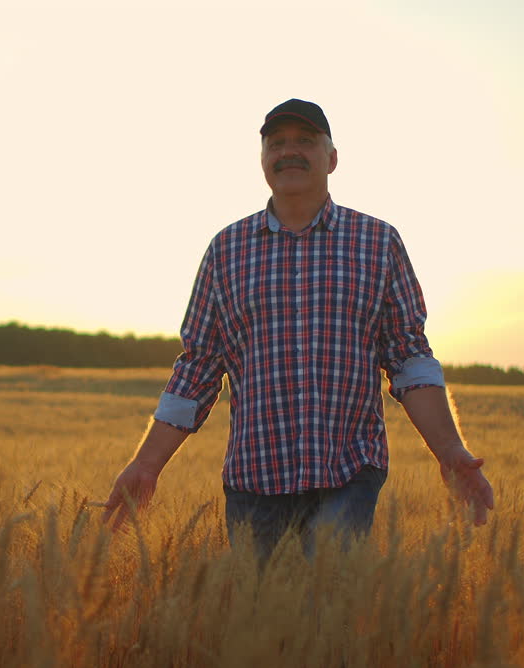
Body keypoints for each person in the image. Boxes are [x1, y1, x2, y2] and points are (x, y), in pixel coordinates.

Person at [102, 99, 494, 561]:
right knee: (267, 622)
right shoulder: (226, 250)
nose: (289, 152)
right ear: (263, 159)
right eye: (277, 143)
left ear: (332, 158)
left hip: (348, 474)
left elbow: (409, 360)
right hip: (255, 481)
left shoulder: (377, 242)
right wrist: (147, 464)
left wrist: (450, 453)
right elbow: (198, 370)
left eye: (305, 141)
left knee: (327, 606)